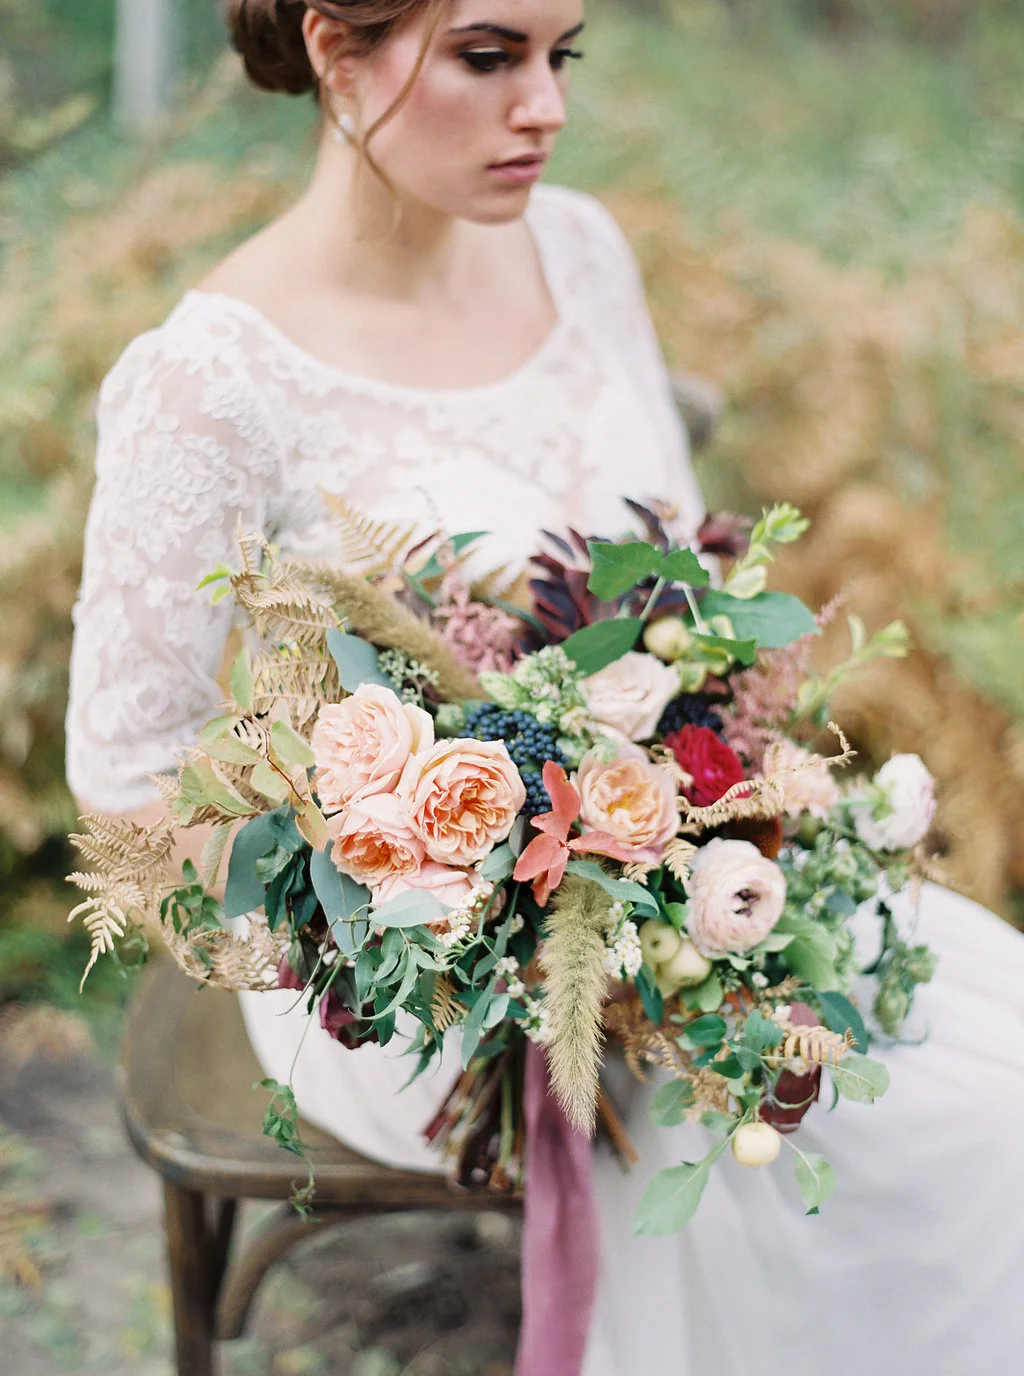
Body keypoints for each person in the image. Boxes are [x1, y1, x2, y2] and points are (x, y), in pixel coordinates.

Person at [65, 3, 1024, 1373]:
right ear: (337, 47)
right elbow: (129, 786)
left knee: (990, 1049)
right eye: (488, 55)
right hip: (412, 969)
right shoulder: (206, 383)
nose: (547, 107)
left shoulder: (577, 247)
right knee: (906, 1131)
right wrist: (435, 915)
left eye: (560, 54)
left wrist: (702, 812)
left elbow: (681, 589)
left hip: (687, 866)